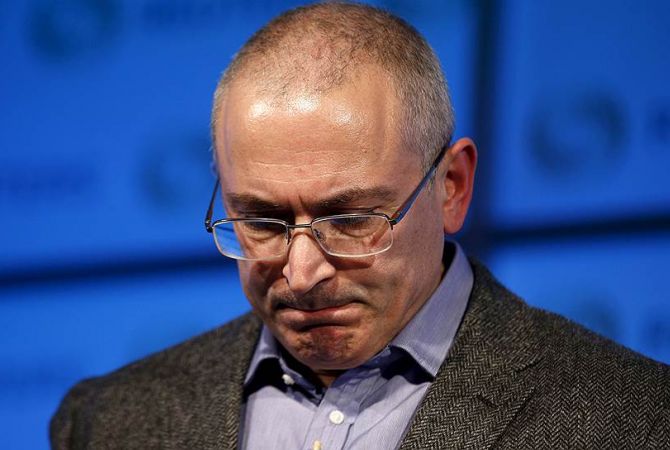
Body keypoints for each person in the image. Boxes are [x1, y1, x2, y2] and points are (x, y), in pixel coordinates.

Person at [51, 3, 669, 449]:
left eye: (349, 219)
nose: (301, 274)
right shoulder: (108, 422)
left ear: (452, 187)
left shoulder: (635, 422)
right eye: (261, 221)